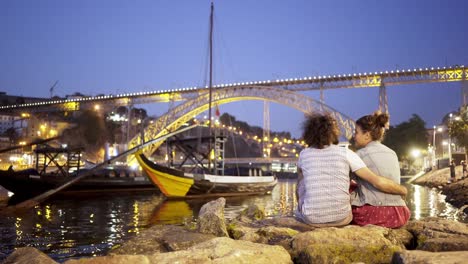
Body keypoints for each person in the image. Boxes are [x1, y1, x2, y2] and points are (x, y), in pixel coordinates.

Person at [295, 113, 407, 227]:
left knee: (303, 182)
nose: (354, 136)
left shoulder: (304, 154)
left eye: (356, 132)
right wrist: (403, 190)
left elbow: (299, 190)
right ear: (333, 133)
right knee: (346, 182)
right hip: (342, 218)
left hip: (312, 219)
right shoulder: (346, 153)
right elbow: (376, 181)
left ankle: (309, 210)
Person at [351, 111, 410, 228]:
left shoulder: (359, 155)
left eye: (356, 132)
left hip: (375, 215)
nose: (354, 136)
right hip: (400, 214)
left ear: (367, 135)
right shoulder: (392, 153)